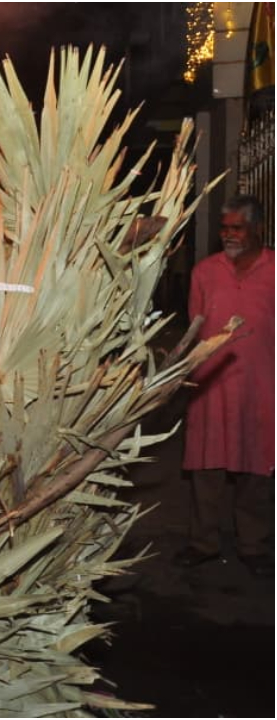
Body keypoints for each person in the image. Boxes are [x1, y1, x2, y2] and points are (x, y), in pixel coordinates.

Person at [176, 195, 275, 577]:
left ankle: (253, 544)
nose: (230, 235)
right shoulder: (205, 271)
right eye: (224, 228)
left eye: (238, 228)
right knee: (206, 467)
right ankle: (203, 542)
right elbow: (194, 327)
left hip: (263, 386)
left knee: (257, 468)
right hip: (212, 385)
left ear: (258, 229)